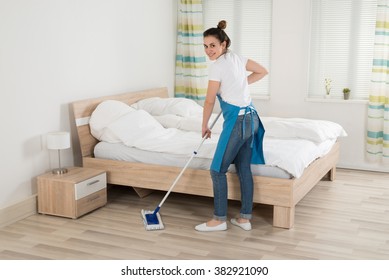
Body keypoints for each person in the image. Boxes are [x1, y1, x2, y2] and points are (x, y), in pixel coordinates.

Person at [195, 20, 268, 232]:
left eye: (213, 46)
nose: (209, 50)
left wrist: (204, 124)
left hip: (237, 122)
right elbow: (262, 71)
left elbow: (209, 101)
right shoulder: (237, 58)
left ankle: (219, 220)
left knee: (217, 170)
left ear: (224, 44)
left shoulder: (217, 67)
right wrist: (241, 84)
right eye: (206, 46)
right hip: (252, 118)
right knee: (243, 168)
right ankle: (244, 218)